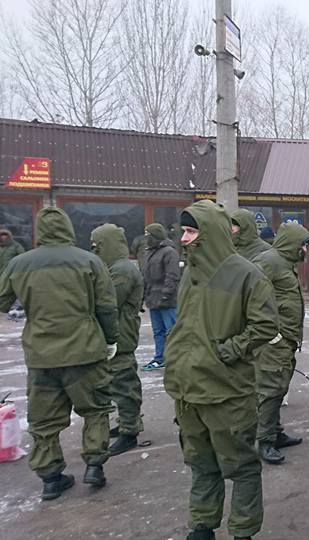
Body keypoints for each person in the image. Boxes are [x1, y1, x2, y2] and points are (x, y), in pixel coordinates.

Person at [164, 200, 279, 540]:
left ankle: (243, 530)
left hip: (227, 391)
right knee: (201, 464)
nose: (184, 238)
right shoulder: (191, 272)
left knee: (240, 465)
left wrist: (227, 351)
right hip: (188, 390)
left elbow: (265, 325)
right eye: (183, 231)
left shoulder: (247, 274)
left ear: (209, 232)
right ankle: (202, 525)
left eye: (191, 231)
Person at [0, 208, 118, 500]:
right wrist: (110, 339)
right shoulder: (89, 261)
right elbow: (106, 306)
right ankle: (95, 466)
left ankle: (50, 478)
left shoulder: (19, 263)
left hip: (41, 355)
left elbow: (2, 301)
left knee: (43, 420)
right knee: (95, 409)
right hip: (86, 351)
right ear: (68, 228)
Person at [250, 222, 309, 465]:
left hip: (285, 340)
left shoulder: (285, 263)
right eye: (303, 245)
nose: (305, 250)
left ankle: (275, 433)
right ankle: (265, 441)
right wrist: (270, 333)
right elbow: (252, 297)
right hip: (272, 342)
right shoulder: (269, 262)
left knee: (278, 388)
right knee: (270, 390)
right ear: (292, 244)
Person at [90, 224, 145, 457]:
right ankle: (125, 423)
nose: (94, 251)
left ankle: (130, 431)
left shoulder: (122, 270)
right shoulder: (113, 267)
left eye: (97, 246)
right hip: (116, 335)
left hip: (121, 336)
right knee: (116, 384)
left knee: (124, 385)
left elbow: (109, 301)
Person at [141, 223, 180, 371]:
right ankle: (159, 358)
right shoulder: (149, 252)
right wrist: (144, 295)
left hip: (167, 300)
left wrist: (166, 294)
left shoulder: (169, 252)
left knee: (172, 331)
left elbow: (173, 275)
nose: (146, 238)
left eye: (148, 235)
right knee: (158, 331)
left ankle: (175, 358)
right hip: (153, 298)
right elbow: (146, 276)